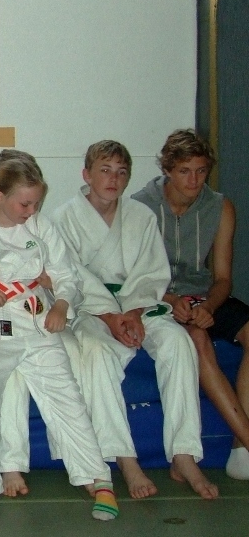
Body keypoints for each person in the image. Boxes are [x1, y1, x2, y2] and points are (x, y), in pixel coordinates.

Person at [0, 155, 118, 522]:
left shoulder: (41, 226)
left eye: (35, 203)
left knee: (66, 395)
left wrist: (61, 304)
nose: (31, 211)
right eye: (25, 204)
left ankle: (99, 478)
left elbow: (65, 273)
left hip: (35, 318)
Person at [49, 140, 216, 498]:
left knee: (178, 342)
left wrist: (134, 311)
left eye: (121, 172)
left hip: (137, 305)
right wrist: (110, 315)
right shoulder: (63, 218)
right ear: (86, 175)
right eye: (105, 171)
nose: (113, 179)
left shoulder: (141, 216)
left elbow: (152, 272)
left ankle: (184, 454)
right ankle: (125, 458)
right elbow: (70, 275)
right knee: (95, 353)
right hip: (92, 309)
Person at [133, 129, 249, 481]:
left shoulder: (220, 206)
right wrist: (170, 300)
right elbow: (132, 276)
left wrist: (209, 306)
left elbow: (223, 278)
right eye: (185, 171)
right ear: (167, 170)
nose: (194, 180)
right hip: (159, 296)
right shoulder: (140, 206)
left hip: (204, 295)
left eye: (201, 171)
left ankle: (240, 448)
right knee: (196, 340)